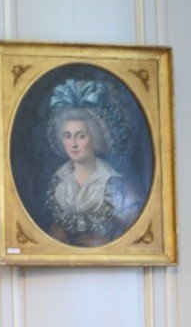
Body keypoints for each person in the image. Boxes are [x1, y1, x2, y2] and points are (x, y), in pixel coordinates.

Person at [45, 79, 144, 247]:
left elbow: (131, 236)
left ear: (95, 138)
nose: (74, 144)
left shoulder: (117, 184)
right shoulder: (58, 183)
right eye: (67, 136)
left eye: (81, 136)